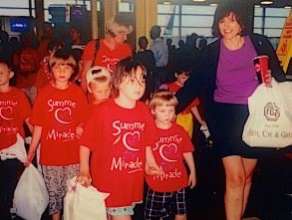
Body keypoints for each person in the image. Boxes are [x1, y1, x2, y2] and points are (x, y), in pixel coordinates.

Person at [175, 3, 286, 220]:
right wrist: (171, 105)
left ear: (242, 22)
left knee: (246, 177)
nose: (226, 26)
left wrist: (272, 79)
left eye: (232, 20)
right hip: (223, 118)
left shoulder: (260, 43)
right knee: (235, 177)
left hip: (255, 116)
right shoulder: (211, 51)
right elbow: (195, 84)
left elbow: (279, 78)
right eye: (222, 20)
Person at [78, 57, 161, 220]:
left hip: (131, 179)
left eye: (141, 80)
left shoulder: (143, 110)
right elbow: (85, 143)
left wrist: (150, 163)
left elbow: (146, 143)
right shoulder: (103, 110)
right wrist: (84, 170)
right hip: (109, 179)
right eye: (132, 80)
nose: (138, 85)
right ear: (117, 82)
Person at [26, 48, 88, 220]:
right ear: (51, 70)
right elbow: (38, 125)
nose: (62, 72)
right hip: (50, 156)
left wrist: (81, 127)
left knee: (73, 195)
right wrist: (31, 152)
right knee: (54, 196)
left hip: (73, 156)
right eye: (57, 68)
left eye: (67, 68)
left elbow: (85, 120)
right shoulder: (44, 93)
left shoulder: (77, 93)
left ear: (73, 71)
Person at [145, 91, 196, 220]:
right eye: (162, 111)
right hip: (157, 183)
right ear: (153, 111)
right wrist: (147, 169)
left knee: (181, 212)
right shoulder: (149, 131)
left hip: (179, 182)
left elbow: (187, 151)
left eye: (170, 110)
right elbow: (144, 153)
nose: (167, 115)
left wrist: (193, 171)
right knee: (152, 216)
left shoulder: (179, 130)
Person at [0, 58, 32, 220]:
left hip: (13, 150)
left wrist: (35, 146)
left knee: (7, 189)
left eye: (1, 73)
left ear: (10, 75)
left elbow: (29, 120)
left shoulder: (18, 95)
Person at [80, 15, 133, 91]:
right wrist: (84, 98)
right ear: (112, 32)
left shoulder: (126, 49)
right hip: (97, 93)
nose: (125, 38)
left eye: (126, 34)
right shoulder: (93, 46)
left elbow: (128, 74)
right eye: (122, 33)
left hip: (117, 93)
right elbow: (85, 74)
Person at [166, 67, 207, 138]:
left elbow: (193, 106)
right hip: (176, 117)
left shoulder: (190, 90)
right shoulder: (169, 87)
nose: (185, 80)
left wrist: (200, 121)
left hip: (188, 117)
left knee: (187, 139)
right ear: (176, 75)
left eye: (187, 78)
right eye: (183, 78)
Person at [135, 36, 156, 101]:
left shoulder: (150, 52)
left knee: (150, 94)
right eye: (142, 42)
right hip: (142, 76)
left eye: (145, 42)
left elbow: (153, 64)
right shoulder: (137, 55)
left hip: (150, 76)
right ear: (139, 44)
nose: (144, 44)